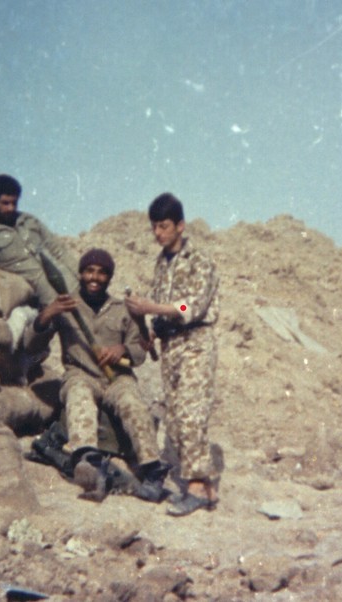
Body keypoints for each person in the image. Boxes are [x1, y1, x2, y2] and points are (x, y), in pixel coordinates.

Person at [25, 248, 168, 501]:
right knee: (79, 395)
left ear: (109, 278)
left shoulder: (122, 309)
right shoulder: (65, 306)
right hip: (80, 374)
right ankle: (90, 464)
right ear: (80, 274)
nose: (95, 277)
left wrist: (122, 349)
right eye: (89, 271)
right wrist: (47, 314)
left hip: (117, 378)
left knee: (133, 404)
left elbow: (139, 353)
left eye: (102, 273)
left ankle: (152, 471)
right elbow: (30, 345)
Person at [125, 193, 220, 516]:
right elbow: (163, 301)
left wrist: (152, 307)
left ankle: (196, 487)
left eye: (163, 226)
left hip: (195, 342)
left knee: (192, 413)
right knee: (177, 418)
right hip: (171, 346)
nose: (158, 233)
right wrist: (150, 327)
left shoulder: (199, 261)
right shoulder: (162, 263)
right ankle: (205, 487)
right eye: (154, 227)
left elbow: (190, 305)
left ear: (180, 226)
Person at [0, 174, 77, 306]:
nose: (11, 208)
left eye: (14, 203)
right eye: (5, 203)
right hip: (49, 301)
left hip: (71, 285)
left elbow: (58, 250)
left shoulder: (30, 221)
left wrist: (80, 275)